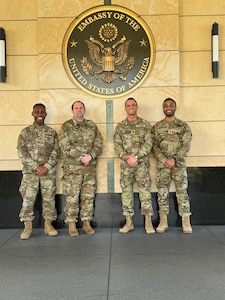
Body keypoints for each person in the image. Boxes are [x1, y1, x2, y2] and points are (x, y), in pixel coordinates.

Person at [59, 101, 102, 237]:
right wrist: (80, 157)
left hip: (89, 168)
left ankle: (86, 223)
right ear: (72, 111)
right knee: (72, 197)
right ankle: (72, 225)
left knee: (88, 197)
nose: (79, 110)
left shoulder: (91, 126)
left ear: (84, 110)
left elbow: (98, 143)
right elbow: (64, 146)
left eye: (81, 108)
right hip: (72, 169)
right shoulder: (66, 126)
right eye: (76, 108)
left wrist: (91, 156)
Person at [18, 103, 60, 239]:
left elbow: (56, 151)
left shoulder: (51, 133)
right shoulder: (25, 133)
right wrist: (36, 166)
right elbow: (22, 153)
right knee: (28, 200)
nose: (40, 114)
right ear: (33, 114)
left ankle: (48, 225)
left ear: (45, 114)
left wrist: (46, 166)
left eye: (42, 112)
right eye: (37, 112)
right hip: (31, 173)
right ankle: (27, 227)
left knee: (49, 199)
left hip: (48, 172)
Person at [114, 97, 155, 234]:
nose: (131, 107)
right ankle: (129, 222)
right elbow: (117, 145)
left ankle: (148, 223)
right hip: (126, 166)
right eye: (128, 105)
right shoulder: (120, 126)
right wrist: (128, 158)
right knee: (126, 193)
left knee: (145, 192)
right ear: (125, 108)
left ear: (136, 107)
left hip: (141, 164)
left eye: (133, 105)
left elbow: (149, 143)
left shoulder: (145, 124)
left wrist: (136, 157)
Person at [151, 97, 192, 234]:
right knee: (162, 193)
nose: (168, 107)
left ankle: (186, 222)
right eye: (166, 105)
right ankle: (163, 222)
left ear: (175, 107)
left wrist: (174, 159)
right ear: (163, 108)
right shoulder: (157, 127)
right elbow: (154, 146)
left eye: (171, 105)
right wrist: (164, 159)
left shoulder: (183, 126)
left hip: (178, 165)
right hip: (163, 166)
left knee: (182, 193)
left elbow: (186, 145)